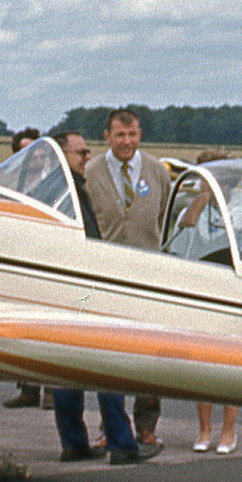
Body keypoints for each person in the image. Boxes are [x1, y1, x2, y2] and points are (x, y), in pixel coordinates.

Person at [51, 130, 160, 464]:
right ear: (62, 156)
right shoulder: (71, 192)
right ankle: (121, 442)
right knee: (104, 360)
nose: (87, 158)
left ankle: (73, 441)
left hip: (63, 288)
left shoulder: (58, 191)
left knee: (65, 363)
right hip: (85, 287)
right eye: (81, 153)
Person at [85, 108, 170, 445]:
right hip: (106, 275)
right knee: (110, 354)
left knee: (149, 354)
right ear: (107, 136)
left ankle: (147, 427)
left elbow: (162, 216)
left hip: (148, 275)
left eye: (132, 134)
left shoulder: (157, 172)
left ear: (140, 134)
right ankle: (112, 428)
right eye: (120, 135)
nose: (127, 142)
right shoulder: (92, 172)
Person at [5, 125, 48, 409]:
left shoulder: (56, 183)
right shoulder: (12, 186)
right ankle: (28, 388)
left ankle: (54, 391)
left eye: (39, 154)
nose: (34, 160)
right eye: (27, 154)